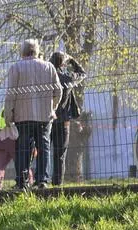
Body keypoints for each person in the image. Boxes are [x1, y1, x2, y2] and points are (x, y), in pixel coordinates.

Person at [4, 39, 61, 190]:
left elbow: (10, 94)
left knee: (22, 148)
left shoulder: (16, 68)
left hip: (23, 116)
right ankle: (42, 180)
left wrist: (8, 116)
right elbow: (58, 91)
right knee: (44, 146)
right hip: (44, 115)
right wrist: (52, 106)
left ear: (22, 52)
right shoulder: (49, 67)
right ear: (37, 51)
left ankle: (22, 182)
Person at [49, 52, 86, 187]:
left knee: (45, 151)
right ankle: (57, 183)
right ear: (63, 64)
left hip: (47, 120)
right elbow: (82, 73)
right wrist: (72, 61)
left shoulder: (45, 78)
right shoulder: (67, 79)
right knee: (60, 154)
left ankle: (41, 180)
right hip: (63, 121)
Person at [0, 110, 20, 189]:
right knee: (21, 162)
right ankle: (27, 181)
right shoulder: (20, 103)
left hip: (2, 136)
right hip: (15, 136)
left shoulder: (4, 107)